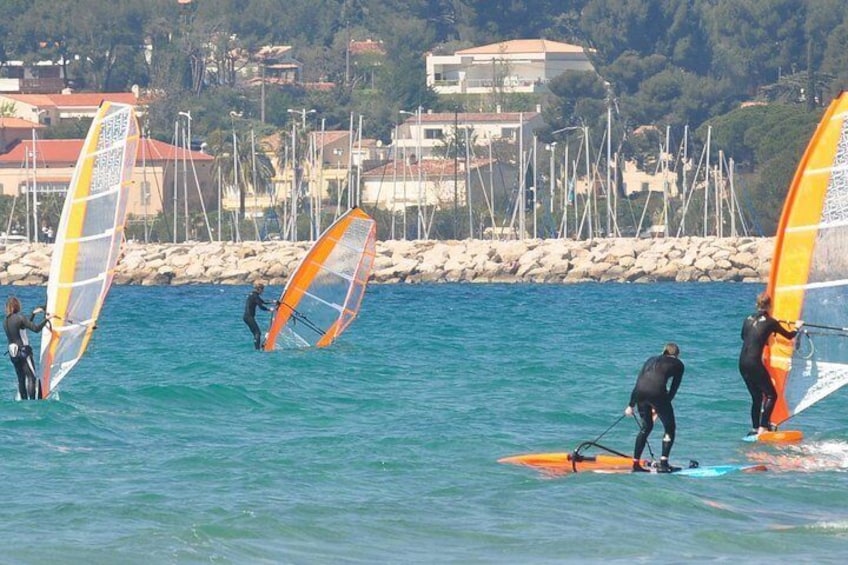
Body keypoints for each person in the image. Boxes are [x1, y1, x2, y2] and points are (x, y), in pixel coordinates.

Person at [739, 291, 800, 436]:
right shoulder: (772, 322)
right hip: (754, 363)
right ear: (770, 306)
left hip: (742, 362)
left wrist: (763, 338)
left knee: (757, 397)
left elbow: (744, 337)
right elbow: (789, 335)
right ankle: (763, 428)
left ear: (757, 304)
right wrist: (797, 326)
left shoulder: (747, 319)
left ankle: (755, 428)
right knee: (772, 395)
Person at [624, 343, 685, 473]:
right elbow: (674, 388)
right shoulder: (678, 365)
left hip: (639, 393)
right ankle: (664, 463)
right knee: (670, 427)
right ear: (677, 355)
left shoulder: (650, 359)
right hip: (657, 393)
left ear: (663, 352)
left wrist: (631, 405)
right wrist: (661, 407)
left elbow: (639, 381)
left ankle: (636, 465)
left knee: (646, 427)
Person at [4, 297, 50, 400]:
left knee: (21, 379)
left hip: (13, 354)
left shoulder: (5, 321)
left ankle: (24, 402)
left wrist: (33, 314)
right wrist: (47, 319)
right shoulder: (20, 318)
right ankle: (32, 403)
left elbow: (23, 327)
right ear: (17, 306)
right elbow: (36, 329)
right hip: (24, 353)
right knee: (31, 378)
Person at [243, 282, 276, 350]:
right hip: (249, 317)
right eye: (262, 290)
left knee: (256, 333)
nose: (263, 291)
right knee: (258, 333)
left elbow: (262, 301)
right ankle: (257, 350)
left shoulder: (253, 295)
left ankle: (257, 348)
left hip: (246, 317)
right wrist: (269, 309)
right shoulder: (255, 296)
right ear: (259, 289)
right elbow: (261, 307)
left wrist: (273, 301)